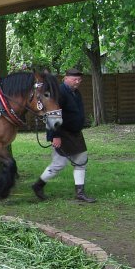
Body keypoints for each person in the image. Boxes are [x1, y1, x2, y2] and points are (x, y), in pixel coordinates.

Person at [32, 69, 96, 203]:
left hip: (75, 133)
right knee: (59, 164)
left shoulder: (75, 93)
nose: (77, 82)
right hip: (62, 133)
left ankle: (80, 193)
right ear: (66, 78)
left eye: (79, 80)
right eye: (75, 79)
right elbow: (52, 114)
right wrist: (55, 136)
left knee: (81, 160)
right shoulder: (59, 92)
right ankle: (38, 185)